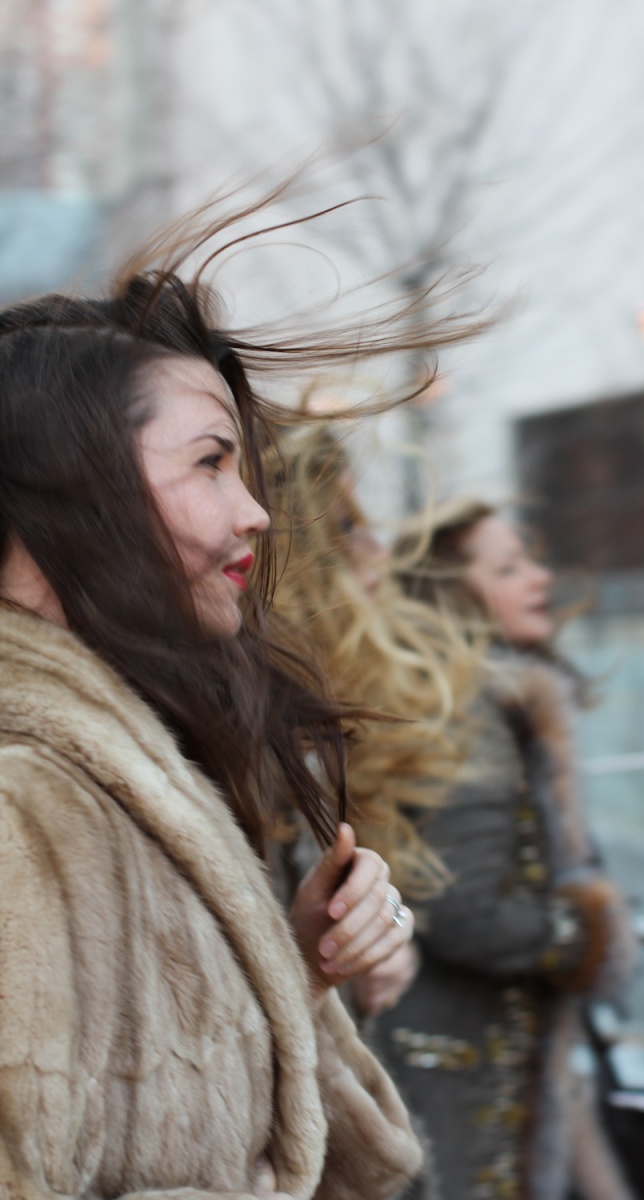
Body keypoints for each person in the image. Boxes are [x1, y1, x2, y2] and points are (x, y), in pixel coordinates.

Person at [0, 203, 480, 1200]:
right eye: (211, 462)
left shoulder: (116, 772)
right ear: (73, 487)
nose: (255, 510)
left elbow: (160, 1117)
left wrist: (288, 967)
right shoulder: (22, 803)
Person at [375, 498, 637, 1200]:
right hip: (463, 1070)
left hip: (477, 1063)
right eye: (509, 567)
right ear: (451, 591)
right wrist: (591, 933)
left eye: (531, 561)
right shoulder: (464, 708)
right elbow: (463, 908)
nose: (540, 579)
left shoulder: (474, 697)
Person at [265, 423, 480, 1018]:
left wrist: (381, 930)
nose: (377, 549)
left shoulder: (340, 705)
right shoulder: (260, 731)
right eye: (346, 528)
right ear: (290, 557)